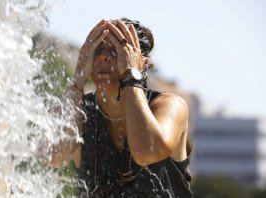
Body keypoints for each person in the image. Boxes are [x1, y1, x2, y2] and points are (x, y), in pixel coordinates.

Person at [41, 18, 193, 197]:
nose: (104, 56)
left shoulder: (168, 105)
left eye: (116, 50)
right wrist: (78, 79)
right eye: (98, 50)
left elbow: (146, 151)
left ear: (140, 63)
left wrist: (131, 75)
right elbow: (51, 155)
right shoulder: (79, 110)